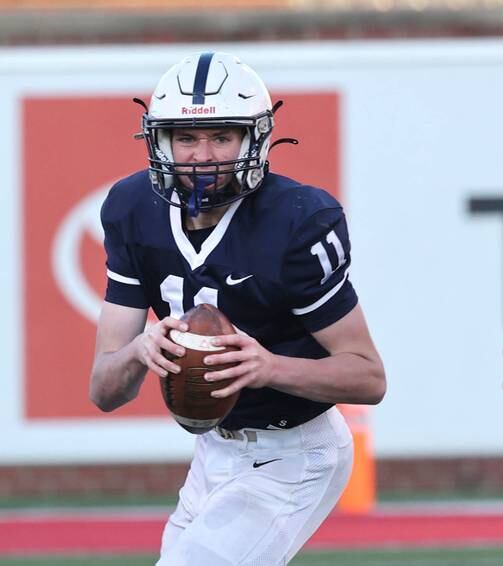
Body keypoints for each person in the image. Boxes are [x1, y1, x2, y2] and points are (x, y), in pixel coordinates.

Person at [89, 51, 386, 566]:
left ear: (255, 138)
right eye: (187, 138)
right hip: (213, 455)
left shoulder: (297, 220)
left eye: (221, 136)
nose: (203, 156)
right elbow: (103, 390)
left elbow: (368, 378)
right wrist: (141, 349)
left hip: (294, 454)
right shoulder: (132, 210)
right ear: (160, 142)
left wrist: (266, 367)